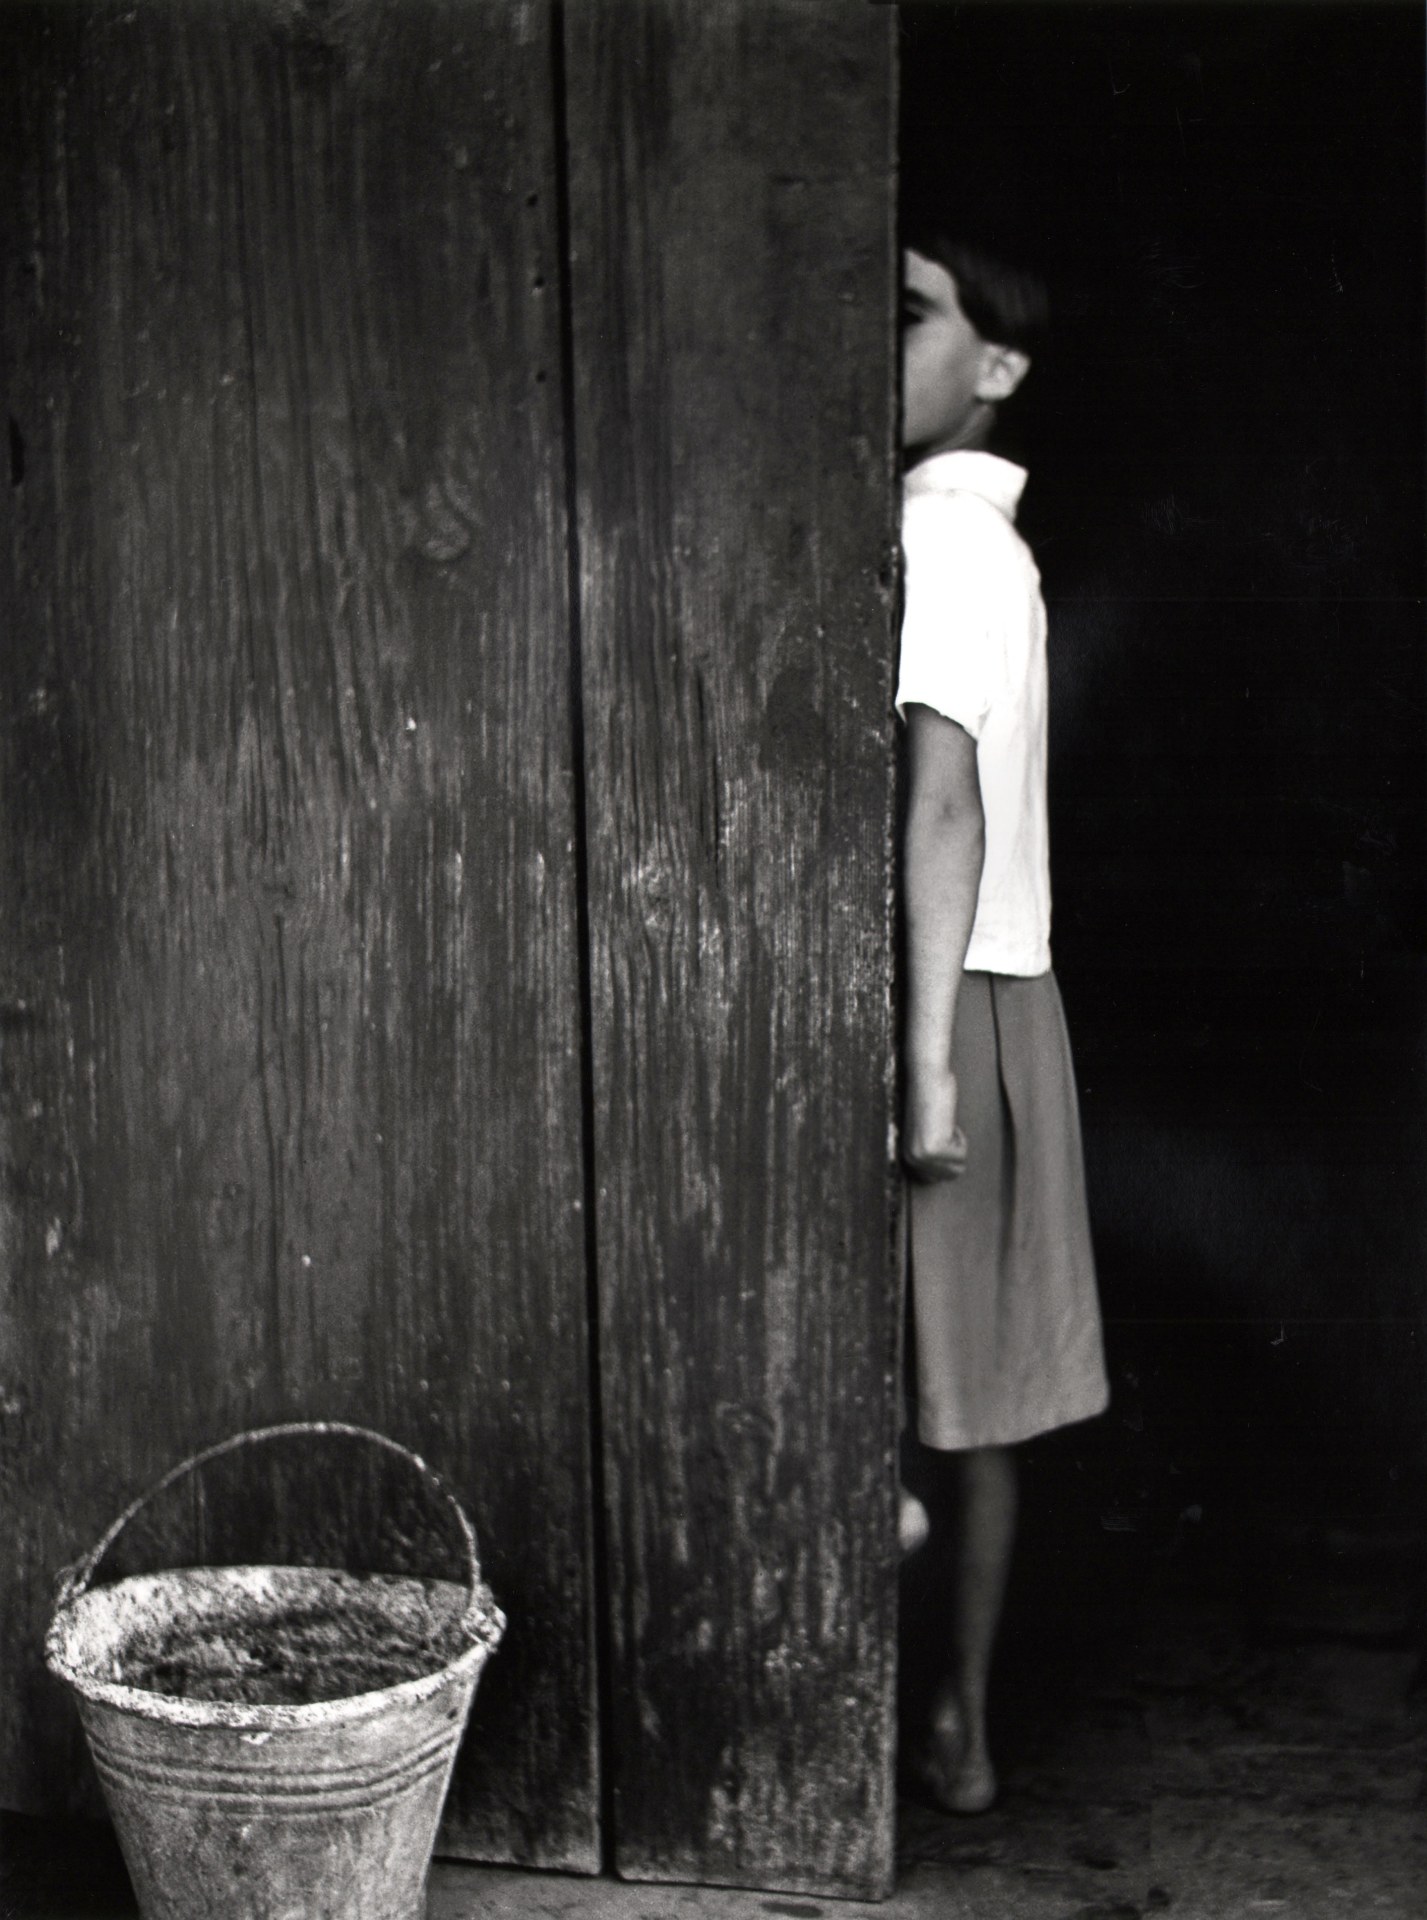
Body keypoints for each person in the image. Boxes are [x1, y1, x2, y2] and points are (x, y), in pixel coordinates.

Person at [895, 234, 1109, 1815]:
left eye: (909, 315)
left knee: (947, 1406)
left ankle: (952, 1723)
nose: (874, 343)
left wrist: (926, 1078)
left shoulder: (950, 543)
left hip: (950, 994)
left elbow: (945, 803)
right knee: (958, 1407)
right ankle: (950, 1726)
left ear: (1001, 365)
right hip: (974, 987)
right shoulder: (943, 535)